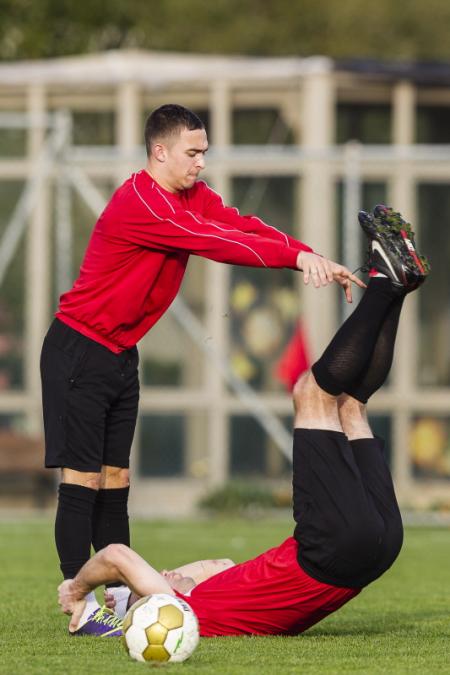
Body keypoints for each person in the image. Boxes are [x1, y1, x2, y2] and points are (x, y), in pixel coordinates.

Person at [41, 103, 365, 613]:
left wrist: (311, 255)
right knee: (83, 479)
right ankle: (76, 602)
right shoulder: (143, 203)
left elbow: (243, 224)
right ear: (160, 151)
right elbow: (215, 242)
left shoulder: (191, 195)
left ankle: (121, 600)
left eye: (205, 153)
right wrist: (297, 259)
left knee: (117, 479)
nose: (201, 163)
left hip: (121, 354)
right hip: (79, 349)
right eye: (193, 153)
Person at [57, 204, 429, 638]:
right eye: (156, 580)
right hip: (331, 546)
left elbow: (220, 566)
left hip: (374, 550)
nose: (163, 574)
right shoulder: (171, 611)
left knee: (351, 405)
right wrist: (78, 590)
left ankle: (397, 287)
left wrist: (175, 575)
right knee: (312, 394)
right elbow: (117, 556)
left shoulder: (214, 609)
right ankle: (386, 285)